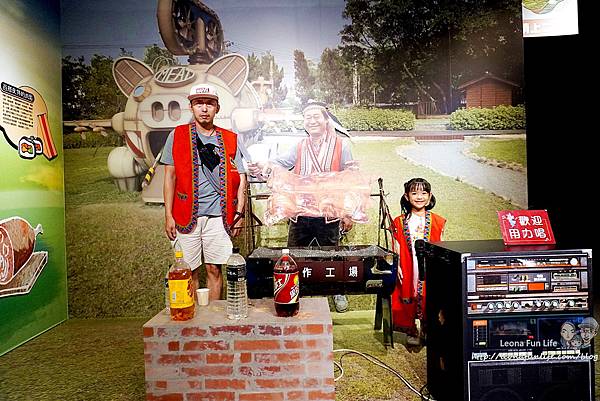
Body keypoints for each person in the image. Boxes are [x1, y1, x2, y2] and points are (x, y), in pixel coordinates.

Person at [249, 100, 354, 312]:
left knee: (332, 254)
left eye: (317, 116)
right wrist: (262, 165)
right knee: (295, 254)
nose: (312, 121)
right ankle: (294, 289)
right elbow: (278, 163)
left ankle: (337, 292)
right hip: (301, 212)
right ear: (304, 122)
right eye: (308, 117)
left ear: (326, 119)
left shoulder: (342, 145)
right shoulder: (299, 145)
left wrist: (348, 212)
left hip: (329, 212)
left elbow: (352, 178)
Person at [161, 83, 247, 301]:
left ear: (217, 108)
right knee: (189, 271)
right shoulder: (177, 135)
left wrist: (238, 214)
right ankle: (192, 318)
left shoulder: (230, 138)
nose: (204, 109)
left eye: (210, 104)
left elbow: (242, 180)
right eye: (199, 103)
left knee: (214, 270)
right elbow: (169, 177)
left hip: (219, 216)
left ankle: (214, 320)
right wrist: (168, 215)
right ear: (191, 107)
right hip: (185, 213)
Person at [391, 177, 446, 345]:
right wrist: (397, 266)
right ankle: (411, 328)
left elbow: (443, 244)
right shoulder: (399, 221)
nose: (419, 197)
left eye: (424, 193)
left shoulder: (438, 220)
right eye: (414, 193)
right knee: (409, 293)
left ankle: (426, 327)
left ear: (429, 197)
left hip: (429, 265)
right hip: (409, 264)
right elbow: (397, 245)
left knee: (428, 294)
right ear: (407, 197)